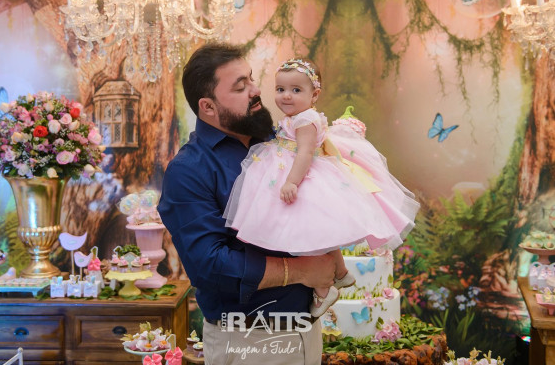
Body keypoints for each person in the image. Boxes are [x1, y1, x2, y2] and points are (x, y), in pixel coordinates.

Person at [158, 44, 337, 365]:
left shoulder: (276, 142)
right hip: (247, 339)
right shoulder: (188, 170)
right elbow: (210, 265)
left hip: (306, 332)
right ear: (207, 106)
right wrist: (304, 270)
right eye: (240, 87)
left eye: (251, 79)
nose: (256, 91)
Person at [223, 58, 420, 318]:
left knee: (311, 236)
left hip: (303, 175)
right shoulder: (297, 117)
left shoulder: (305, 119)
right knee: (322, 233)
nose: (286, 96)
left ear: (314, 95)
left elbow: (305, 152)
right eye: (281, 89)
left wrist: (292, 182)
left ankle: (324, 289)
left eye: (296, 90)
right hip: (291, 167)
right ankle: (341, 273)